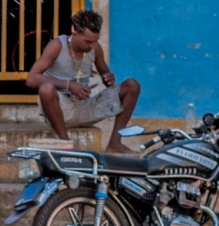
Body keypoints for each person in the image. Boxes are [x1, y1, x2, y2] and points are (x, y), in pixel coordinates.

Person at [25, 10, 141, 153]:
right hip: (60, 110)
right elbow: (31, 79)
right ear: (75, 34)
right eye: (88, 41)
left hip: (86, 107)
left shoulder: (95, 48)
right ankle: (65, 143)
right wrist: (68, 85)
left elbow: (104, 71)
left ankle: (115, 144)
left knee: (132, 86)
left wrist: (107, 77)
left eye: (95, 41)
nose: (92, 45)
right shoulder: (57, 45)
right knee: (46, 89)